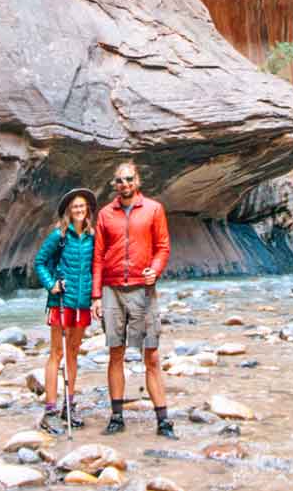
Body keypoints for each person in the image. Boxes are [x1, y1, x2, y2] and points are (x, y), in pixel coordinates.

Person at [90, 160, 175, 438]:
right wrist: (96, 296)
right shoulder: (104, 214)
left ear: (137, 180)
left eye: (128, 179)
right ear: (114, 185)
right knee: (116, 353)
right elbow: (98, 256)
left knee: (151, 354)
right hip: (112, 290)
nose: (124, 184)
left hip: (143, 290)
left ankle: (163, 420)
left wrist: (156, 269)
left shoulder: (154, 209)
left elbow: (163, 247)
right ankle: (116, 417)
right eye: (119, 180)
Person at [33, 187, 97, 434]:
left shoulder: (92, 237)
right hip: (60, 300)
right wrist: (51, 284)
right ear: (69, 211)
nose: (79, 210)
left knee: (73, 352)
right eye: (75, 207)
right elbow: (40, 262)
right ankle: (49, 409)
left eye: (82, 206)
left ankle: (68, 406)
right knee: (56, 353)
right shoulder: (58, 236)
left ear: (87, 209)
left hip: (81, 303)